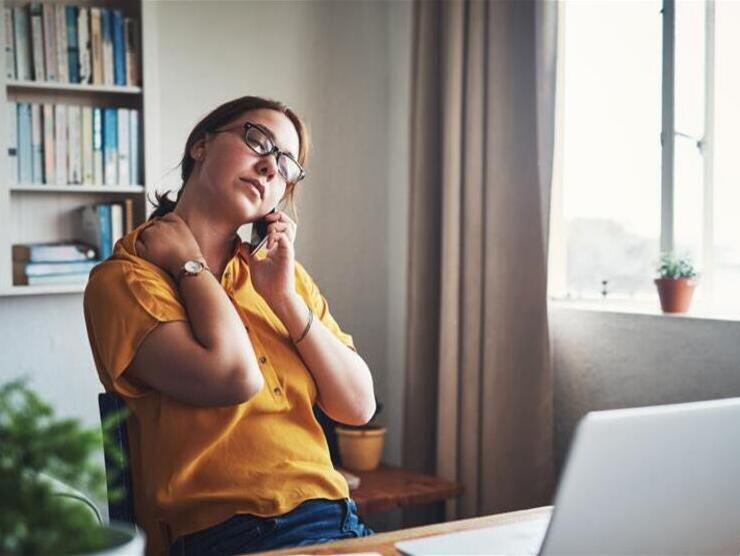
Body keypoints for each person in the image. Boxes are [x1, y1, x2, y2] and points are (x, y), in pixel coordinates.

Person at [83, 95, 376, 555]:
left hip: (337, 518)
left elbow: (358, 406)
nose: (269, 168)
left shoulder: (281, 276)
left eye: (287, 166)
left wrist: (282, 298)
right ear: (200, 145)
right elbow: (234, 377)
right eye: (257, 141)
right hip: (230, 535)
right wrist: (187, 263)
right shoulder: (126, 278)